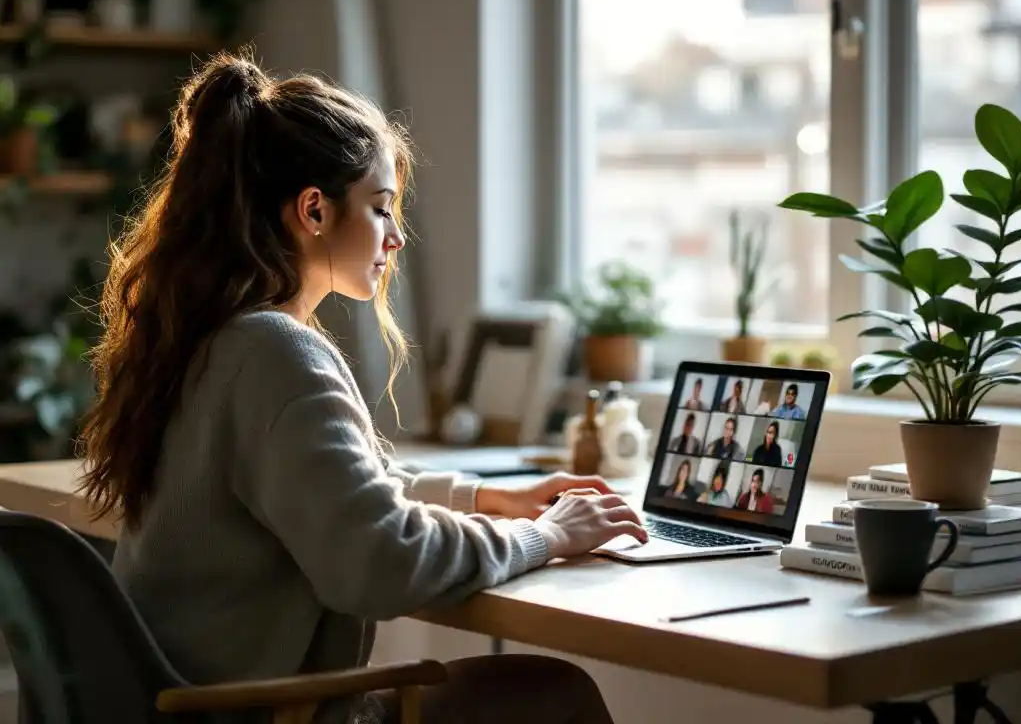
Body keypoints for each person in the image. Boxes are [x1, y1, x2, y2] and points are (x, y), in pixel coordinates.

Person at [77, 51, 648, 724]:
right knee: (553, 694)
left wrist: (485, 499)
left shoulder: (209, 338)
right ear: (313, 210)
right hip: (256, 714)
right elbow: (381, 562)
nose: (396, 237)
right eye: (381, 208)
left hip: (179, 707)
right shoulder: (274, 352)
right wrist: (544, 536)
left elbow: (331, 491)